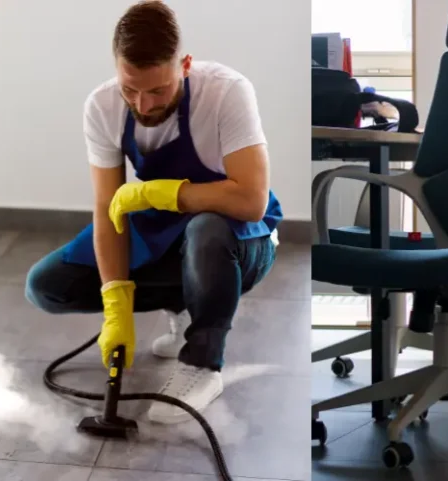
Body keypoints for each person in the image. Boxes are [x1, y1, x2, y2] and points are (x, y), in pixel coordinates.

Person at [24, 0, 283, 424]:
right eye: (131, 89)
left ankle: (202, 363)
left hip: (240, 237)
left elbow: (250, 199)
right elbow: (108, 213)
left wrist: (167, 193)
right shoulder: (102, 106)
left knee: (207, 229)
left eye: (157, 90)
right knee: (47, 286)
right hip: (166, 232)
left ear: (184, 64)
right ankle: (185, 306)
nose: (143, 105)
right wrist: (116, 303)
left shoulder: (226, 92)